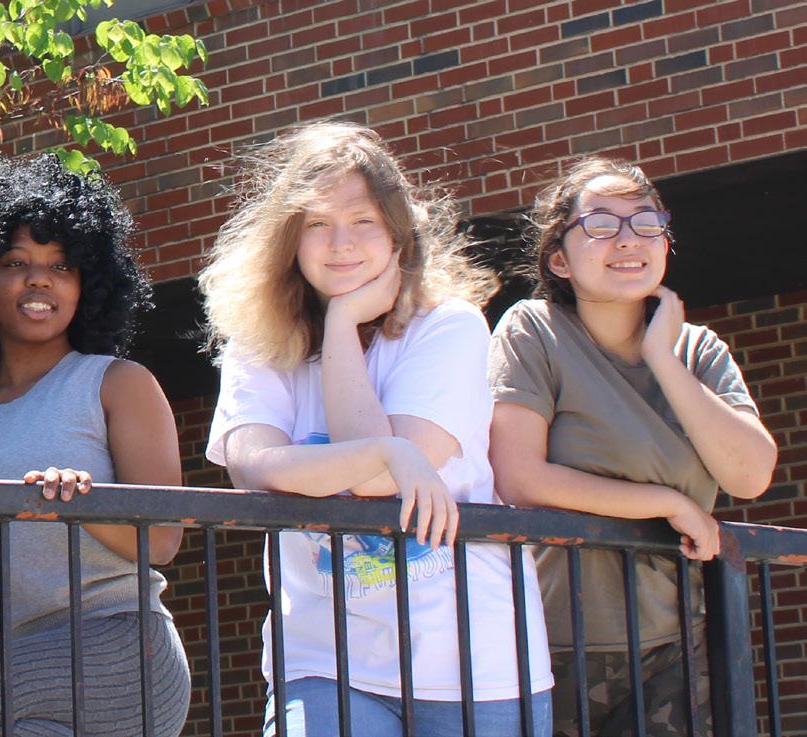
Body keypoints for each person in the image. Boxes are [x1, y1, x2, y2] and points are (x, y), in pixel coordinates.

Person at [197, 121, 553, 736]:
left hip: (476, 666)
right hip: (323, 663)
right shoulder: (259, 346)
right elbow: (254, 469)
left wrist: (341, 325)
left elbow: (378, 485)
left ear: (397, 232)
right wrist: (387, 449)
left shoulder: (450, 327)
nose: (341, 243)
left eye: (363, 220)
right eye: (317, 222)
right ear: (289, 238)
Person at [0, 155, 190, 737]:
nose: (39, 279)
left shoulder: (116, 383)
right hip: (8, 689)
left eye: (62, 265)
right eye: (15, 263)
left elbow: (163, 539)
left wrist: (80, 503)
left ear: (87, 286)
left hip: (118, 654)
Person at [487, 157, 775, 737]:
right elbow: (518, 477)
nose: (627, 239)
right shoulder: (533, 329)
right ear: (559, 259)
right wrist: (668, 503)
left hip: (678, 644)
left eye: (646, 223)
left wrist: (663, 359)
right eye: (600, 224)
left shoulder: (698, 350)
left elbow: (750, 476)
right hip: (552, 644)